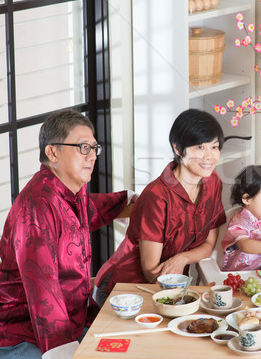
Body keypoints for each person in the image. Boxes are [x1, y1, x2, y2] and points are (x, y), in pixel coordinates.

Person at [0, 109, 133, 359]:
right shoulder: (36, 207)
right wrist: (63, 352)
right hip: (18, 333)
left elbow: (90, 210)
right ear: (52, 153)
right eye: (83, 147)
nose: (92, 156)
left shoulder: (72, 191)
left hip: (72, 321)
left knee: (129, 350)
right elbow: (43, 289)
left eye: (95, 147)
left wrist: (127, 199)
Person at [94, 109, 226, 306]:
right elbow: (151, 271)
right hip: (126, 289)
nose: (209, 156)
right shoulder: (157, 196)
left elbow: (208, 244)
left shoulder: (213, 182)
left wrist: (182, 258)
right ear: (178, 149)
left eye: (214, 147)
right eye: (200, 147)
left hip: (172, 288)